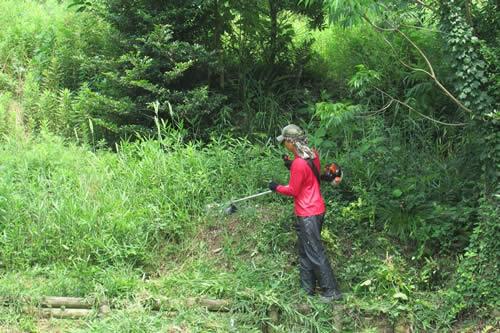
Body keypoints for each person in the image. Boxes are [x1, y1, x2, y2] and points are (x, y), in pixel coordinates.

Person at [269, 124, 342, 302]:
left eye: (285, 141)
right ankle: (307, 289)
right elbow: (310, 175)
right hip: (315, 210)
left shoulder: (298, 163)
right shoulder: (312, 155)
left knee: (315, 251)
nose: (284, 145)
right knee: (305, 250)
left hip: (308, 212)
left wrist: (275, 187)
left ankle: (331, 292)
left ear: (290, 142)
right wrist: (290, 165)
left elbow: (293, 190)